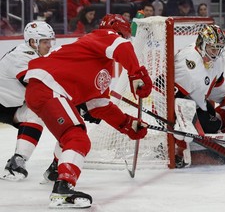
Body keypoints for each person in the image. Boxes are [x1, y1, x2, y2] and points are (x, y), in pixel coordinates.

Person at [23, 14, 152, 209]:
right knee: (78, 137)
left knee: (70, 135)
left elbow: (98, 106)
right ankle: (63, 189)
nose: (124, 40)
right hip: (48, 87)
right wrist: (137, 73)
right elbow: (122, 47)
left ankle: (55, 171)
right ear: (119, 33)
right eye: (124, 36)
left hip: (44, 90)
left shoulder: (100, 66)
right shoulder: (102, 35)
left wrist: (127, 124)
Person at [154, 24, 225, 167]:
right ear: (201, 44)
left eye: (219, 48)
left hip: (192, 101)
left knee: (214, 123)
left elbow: (215, 89)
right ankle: (178, 149)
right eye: (213, 48)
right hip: (166, 104)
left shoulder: (216, 61)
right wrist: (183, 121)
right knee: (208, 126)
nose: (216, 53)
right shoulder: (189, 61)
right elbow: (171, 94)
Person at [0, 21, 55, 181]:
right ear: (32, 42)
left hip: (9, 106)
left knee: (35, 113)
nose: (49, 46)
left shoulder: (36, 55)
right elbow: (36, 85)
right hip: (3, 103)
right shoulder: (21, 56)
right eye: (45, 42)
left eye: (50, 41)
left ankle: (17, 162)